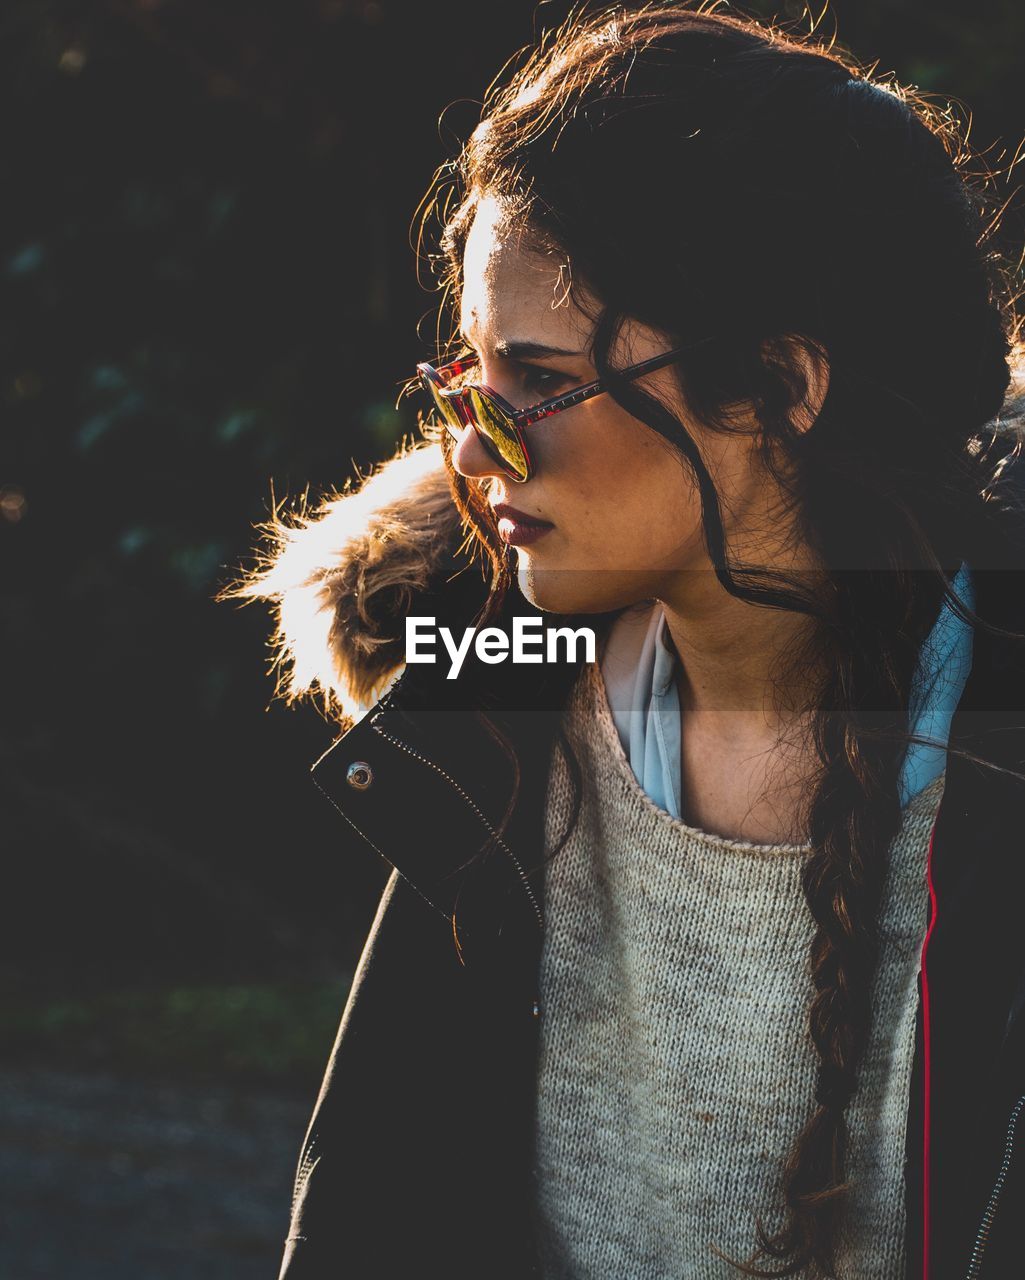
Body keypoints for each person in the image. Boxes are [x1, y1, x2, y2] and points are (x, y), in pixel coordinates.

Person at [222, 6, 1025, 1278]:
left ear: (776, 386)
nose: (479, 445)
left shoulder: (995, 777)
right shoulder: (496, 716)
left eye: (535, 381)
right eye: (464, 379)